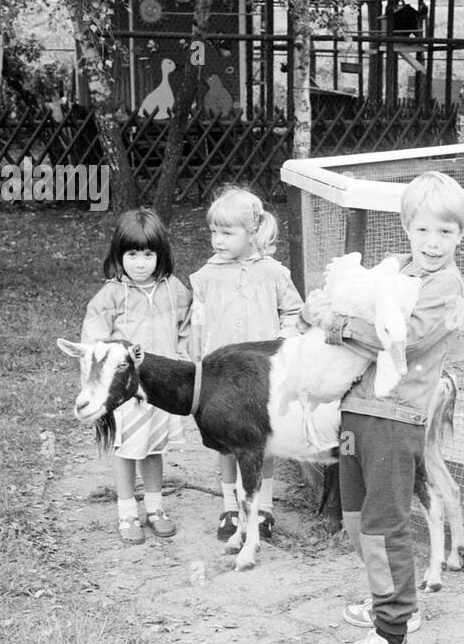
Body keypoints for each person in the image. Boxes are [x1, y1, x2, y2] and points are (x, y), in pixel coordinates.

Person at [307, 171, 464, 644]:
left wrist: (338, 326)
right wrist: (324, 306)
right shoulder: (394, 269)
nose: (434, 243)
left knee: (384, 528)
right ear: (406, 228)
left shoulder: (445, 287)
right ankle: (399, 602)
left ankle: (391, 636)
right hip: (357, 410)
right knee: (356, 521)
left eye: (446, 232)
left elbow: (405, 339)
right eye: (423, 231)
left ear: (461, 235)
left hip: (396, 420)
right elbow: (347, 297)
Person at [190, 186, 303, 542]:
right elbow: (197, 319)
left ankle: (262, 508)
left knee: (259, 441)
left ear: (252, 233)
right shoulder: (206, 275)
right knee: (225, 442)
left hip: (260, 376)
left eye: (227, 233)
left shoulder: (272, 272)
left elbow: (295, 311)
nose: (218, 240)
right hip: (222, 376)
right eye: (214, 232)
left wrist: (282, 347)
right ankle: (229, 507)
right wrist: (197, 352)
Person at [81, 208, 192, 544]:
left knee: (155, 449)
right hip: (127, 390)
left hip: (161, 386)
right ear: (119, 254)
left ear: (161, 255)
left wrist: (183, 362)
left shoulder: (175, 289)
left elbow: (186, 330)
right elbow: (94, 344)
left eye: (148, 254)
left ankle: (155, 508)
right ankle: (127, 511)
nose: (140, 263)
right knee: (127, 449)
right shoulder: (110, 296)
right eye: (132, 254)